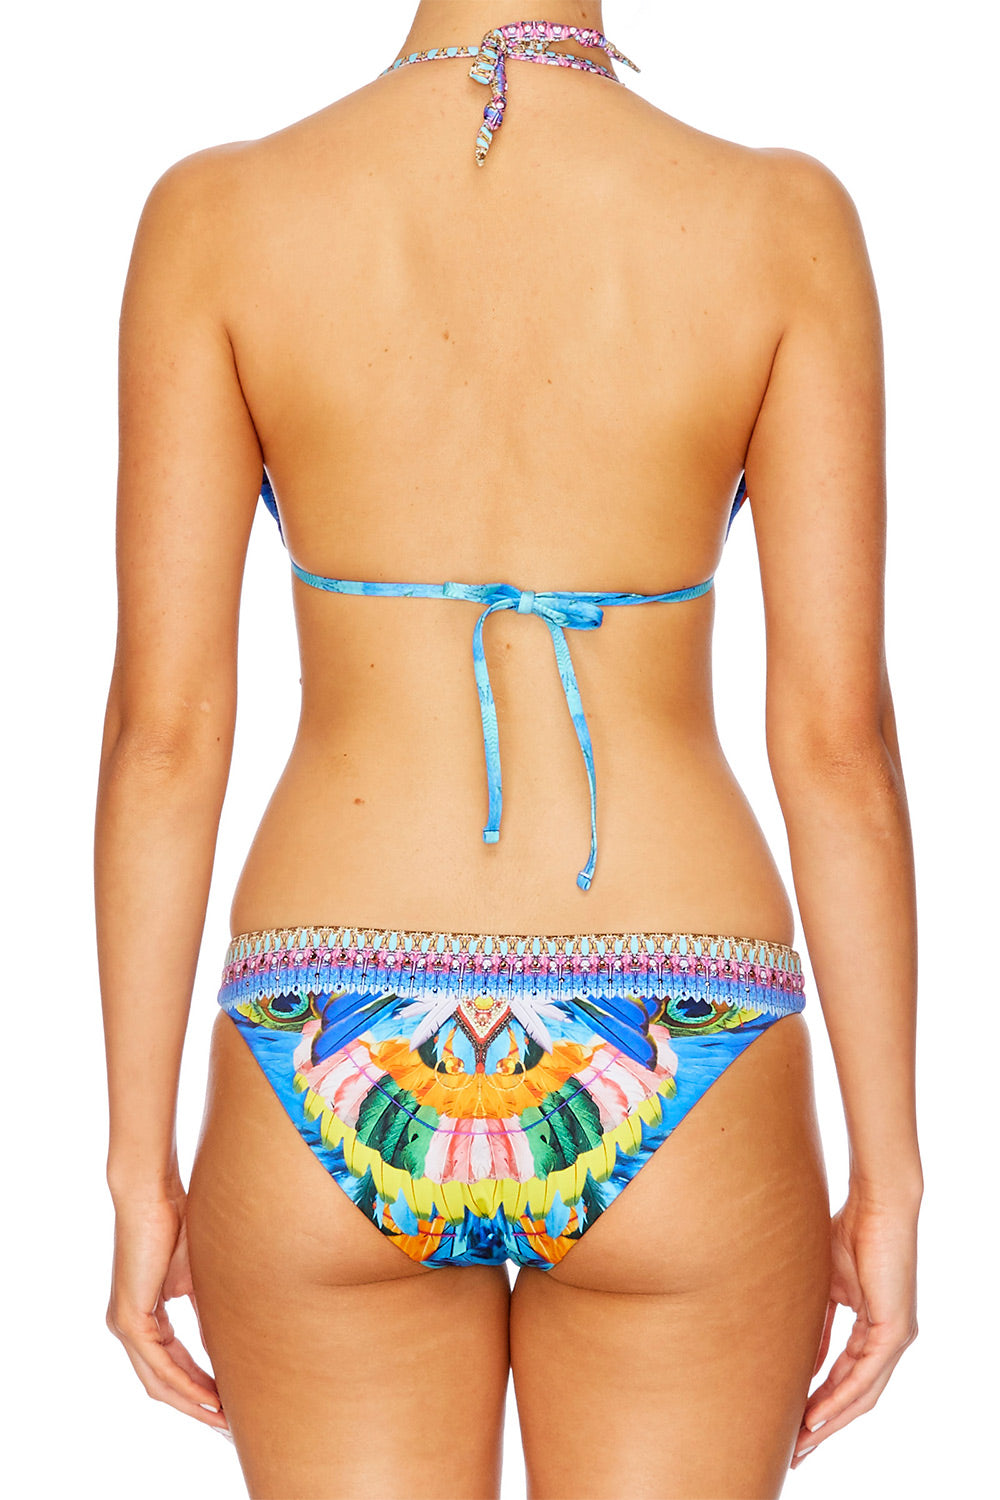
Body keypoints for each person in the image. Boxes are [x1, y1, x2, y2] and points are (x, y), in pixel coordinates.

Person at [96, 4, 922, 1496]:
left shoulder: (217, 216)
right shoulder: (782, 221)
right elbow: (837, 743)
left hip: (324, 1026)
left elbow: (165, 737)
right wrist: (892, 1172)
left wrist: (136, 1164)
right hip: (685, 1020)